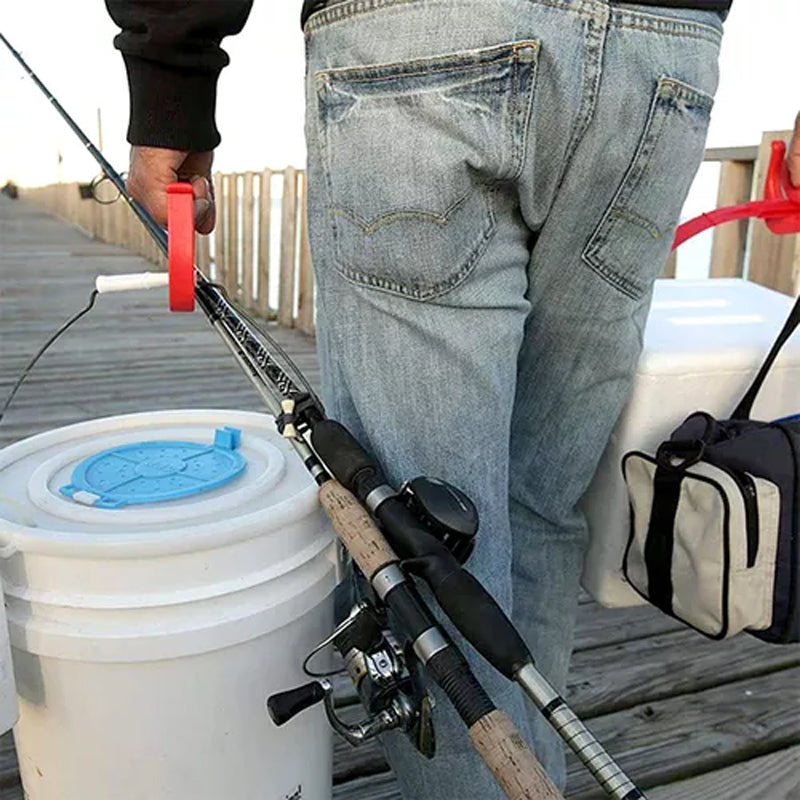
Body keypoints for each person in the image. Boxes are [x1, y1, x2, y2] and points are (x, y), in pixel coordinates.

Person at [105, 2, 799, 797]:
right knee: (538, 512)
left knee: (420, 554)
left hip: (419, 43)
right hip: (661, 59)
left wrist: (169, 84)